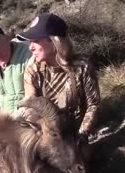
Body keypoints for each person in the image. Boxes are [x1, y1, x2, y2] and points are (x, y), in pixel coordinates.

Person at [16, 13, 101, 155]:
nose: (30, 47)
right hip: (48, 136)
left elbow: (93, 106)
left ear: (54, 42)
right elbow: (28, 107)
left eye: (35, 41)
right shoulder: (33, 71)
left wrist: (82, 134)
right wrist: (49, 132)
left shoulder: (82, 67)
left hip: (75, 137)